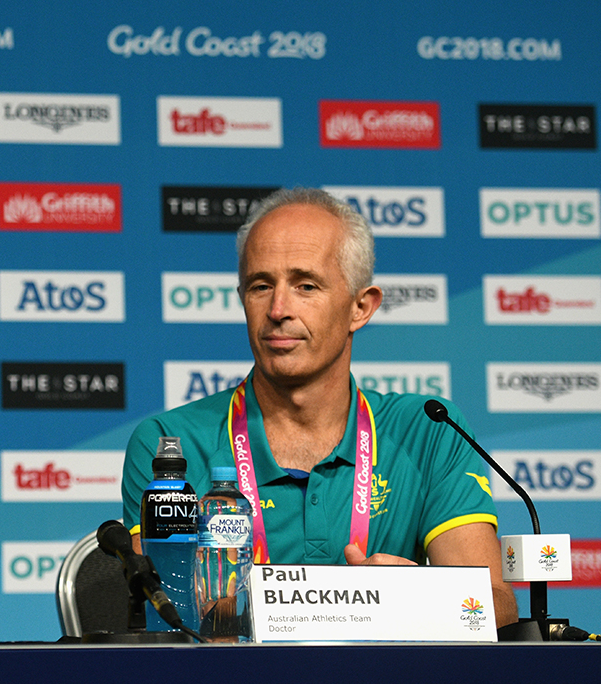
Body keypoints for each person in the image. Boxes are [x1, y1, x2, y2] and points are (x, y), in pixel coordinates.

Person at [122, 188, 518, 628]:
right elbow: (167, 618)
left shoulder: (428, 430)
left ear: (360, 307)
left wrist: (416, 598)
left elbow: (498, 607)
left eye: (305, 286)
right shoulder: (169, 445)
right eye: (260, 286)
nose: (278, 309)